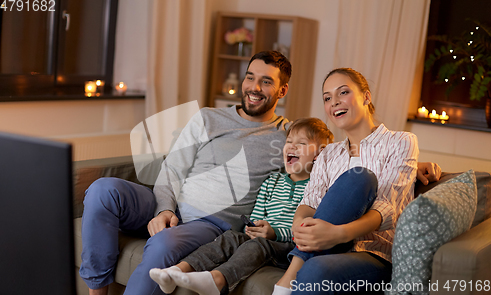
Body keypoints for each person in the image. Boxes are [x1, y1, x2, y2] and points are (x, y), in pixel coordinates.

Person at [79, 51, 293, 295]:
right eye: (250, 77)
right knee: (102, 190)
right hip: (171, 205)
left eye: (266, 81)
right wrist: (164, 210)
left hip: (212, 224)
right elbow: (172, 169)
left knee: (163, 243)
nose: (254, 88)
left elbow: (324, 151)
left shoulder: (287, 136)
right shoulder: (208, 117)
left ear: (282, 90)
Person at [272, 68, 430, 295]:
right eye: (327, 98)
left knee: (360, 177)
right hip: (326, 249)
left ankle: (292, 272)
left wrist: (339, 234)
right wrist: (298, 223)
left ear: (366, 96)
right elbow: (310, 202)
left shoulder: (401, 141)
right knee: (355, 180)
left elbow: (388, 209)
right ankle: (296, 267)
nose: (334, 102)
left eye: (342, 92)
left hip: (375, 256)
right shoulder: (328, 153)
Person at [148, 117, 334, 295]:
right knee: (230, 237)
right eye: (289, 141)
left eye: (301, 143)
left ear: (320, 153)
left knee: (260, 244)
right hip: (261, 238)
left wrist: (274, 233)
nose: (291, 146)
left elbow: (308, 230)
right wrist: (253, 227)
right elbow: (255, 217)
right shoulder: (272, 181)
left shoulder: (317, 190)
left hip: (286, 247)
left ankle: (217, 281)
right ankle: (176, 271)